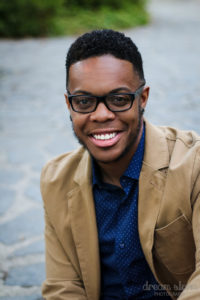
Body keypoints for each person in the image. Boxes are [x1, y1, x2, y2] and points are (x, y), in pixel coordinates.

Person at [40, 29, 200, 300]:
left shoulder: (193, 166)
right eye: (84, 101)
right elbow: (62, 287)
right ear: (69, 105)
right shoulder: (56, 180)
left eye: (119, 99)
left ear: (143, 99)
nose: (101, 115)